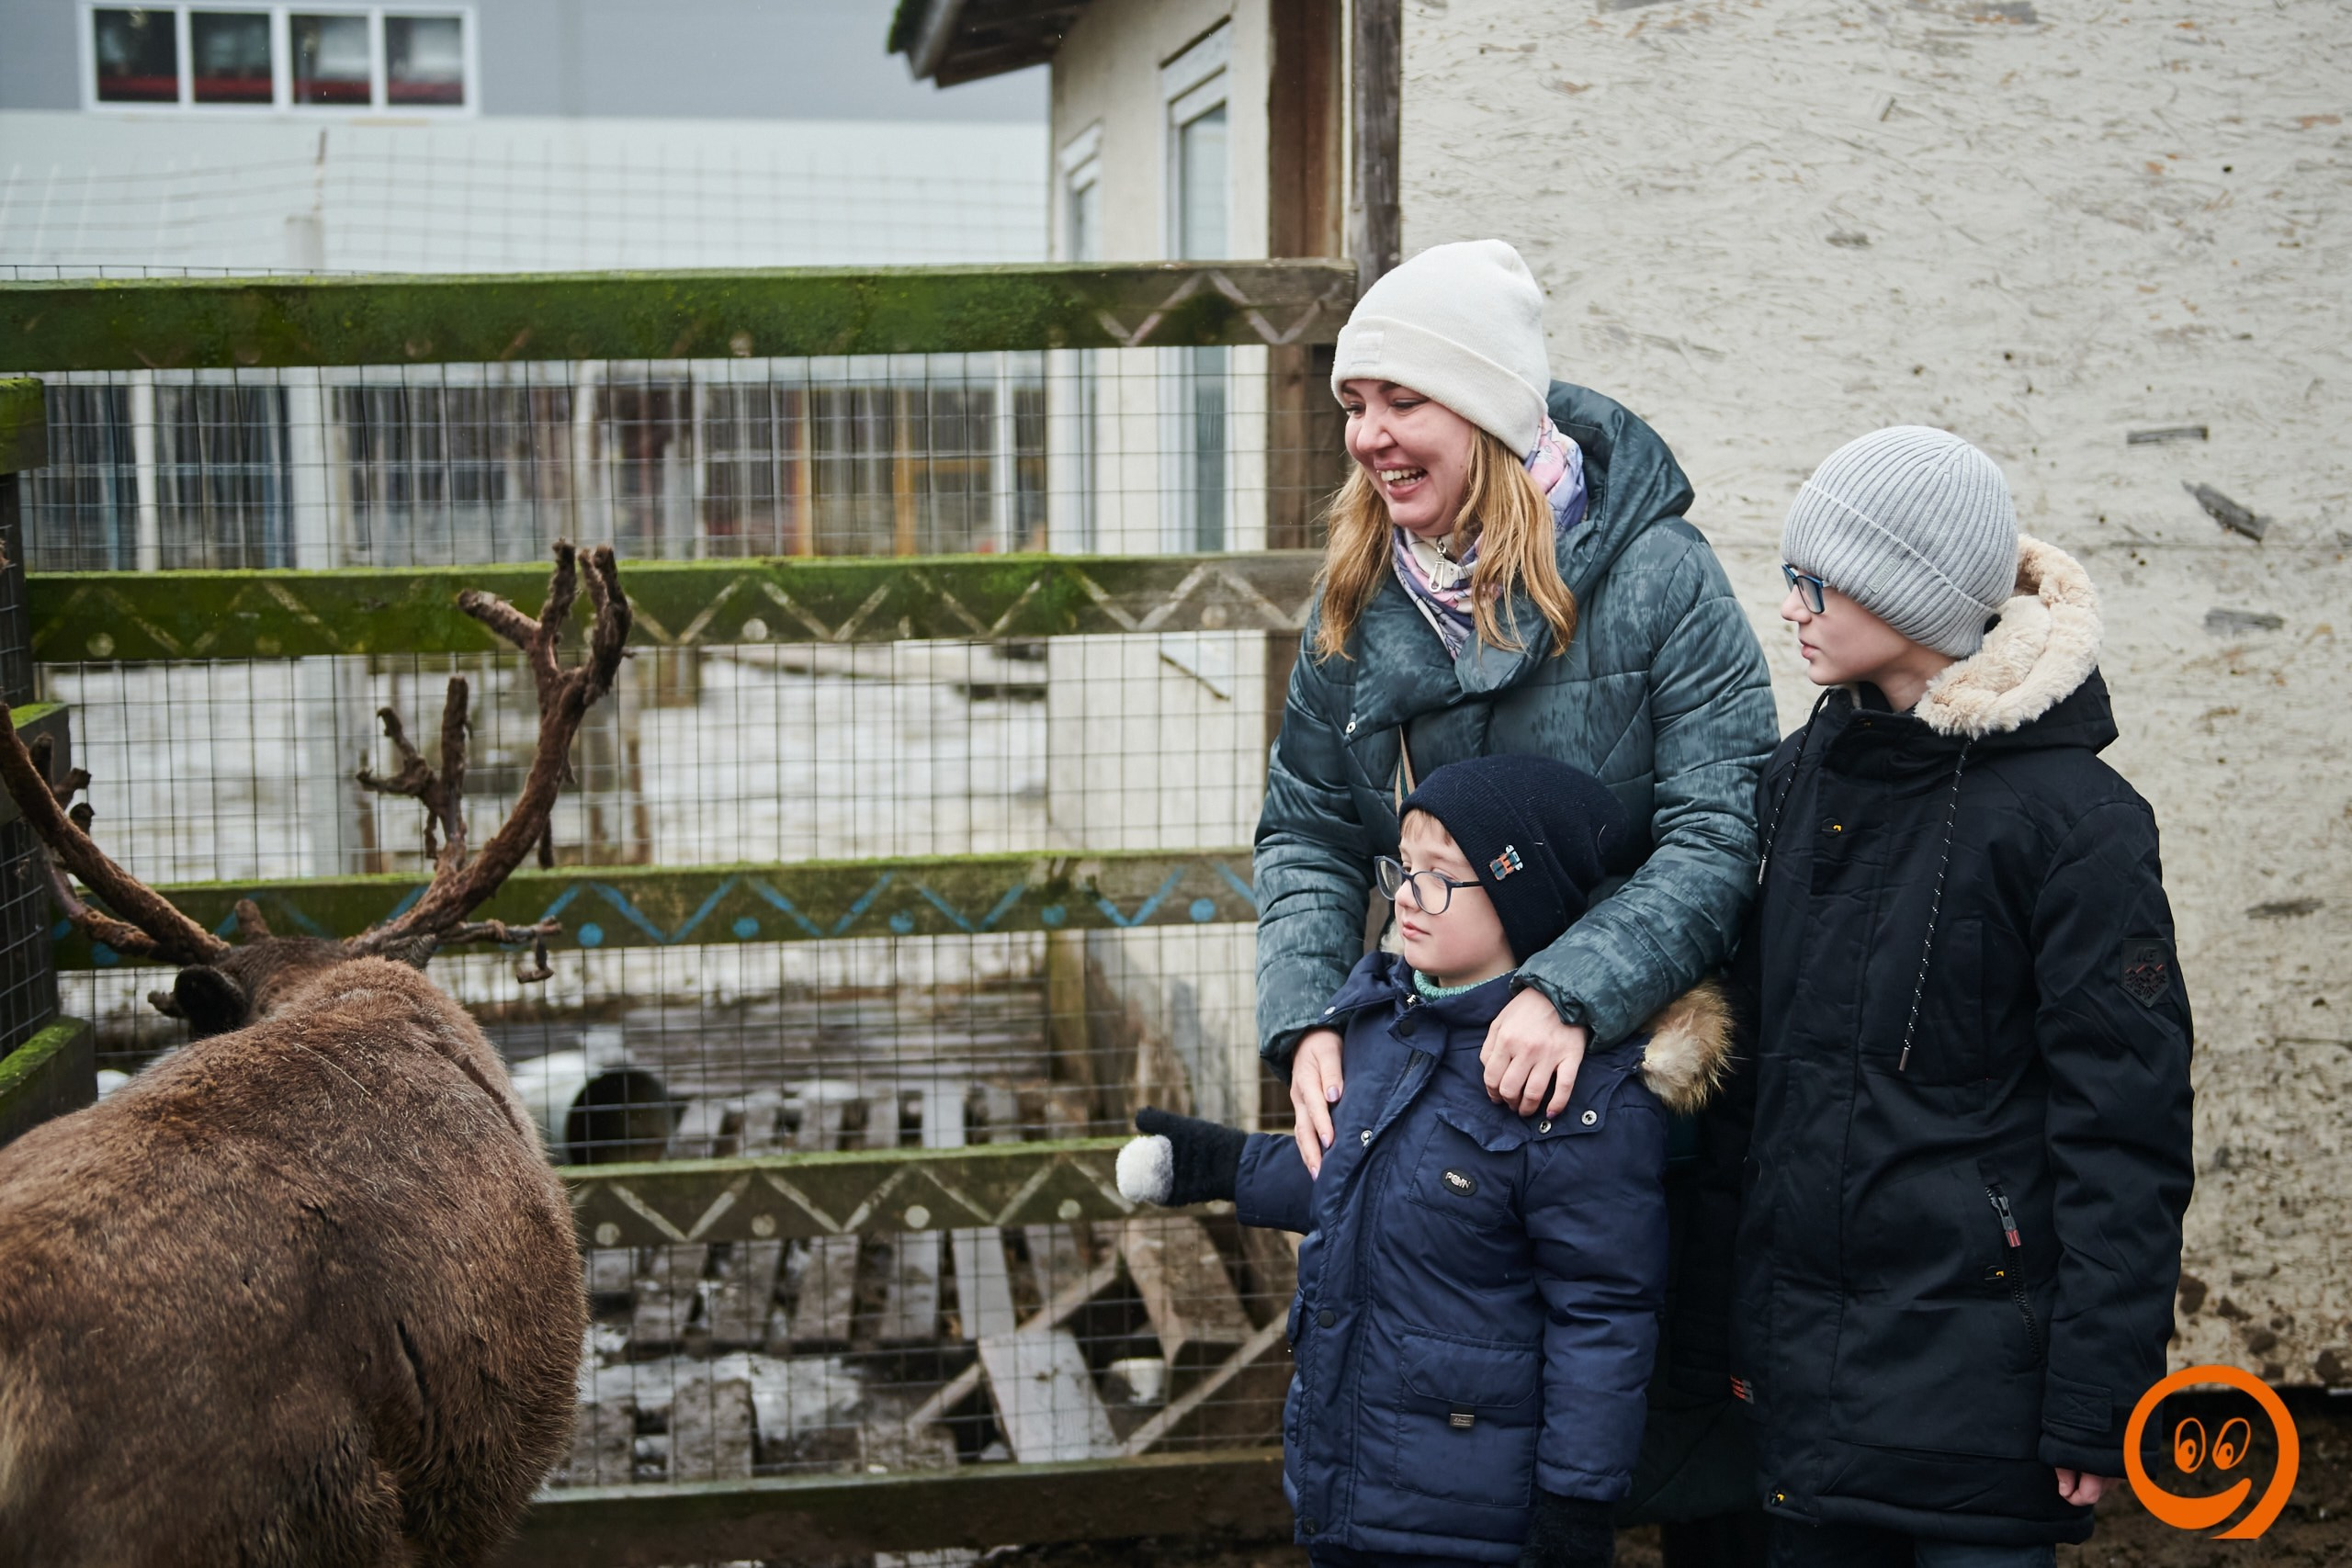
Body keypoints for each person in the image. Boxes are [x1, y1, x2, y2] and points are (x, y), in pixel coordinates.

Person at [1253, 237, 1779, 1543]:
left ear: (1487, 411)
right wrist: (1315, 1014)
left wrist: (1566, 987)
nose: (1370, 436)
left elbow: (1720, 833)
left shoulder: (1659, 580)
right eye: (1353, 406)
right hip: (1445, 1104)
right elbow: (1310, 828)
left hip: (1645, 1085)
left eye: (1402, 401)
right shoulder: (1362, 590)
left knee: (1676, 1447)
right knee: (1453, 1469)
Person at [1725, 426, 2197, 1565]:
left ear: (1909, 595)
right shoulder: (1798, 784)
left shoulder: (2077, 824)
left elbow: (2124, 1131)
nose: (1789, 607)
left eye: (1813, 582)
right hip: (1804, 1411)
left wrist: (2100, 1395)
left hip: (1983, 1406)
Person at [1122, 755, 1734, 1567]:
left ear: (1520, 895)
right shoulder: (1381, 1021)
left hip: (1472, 1505)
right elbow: (1355, 1176)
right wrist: (1212, 1164)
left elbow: (1602, 1316)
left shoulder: (1580, 1096)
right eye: (1403, 869)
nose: (1404, 895)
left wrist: (1575, 1503)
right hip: (1348, 1470)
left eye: (1440, 877)